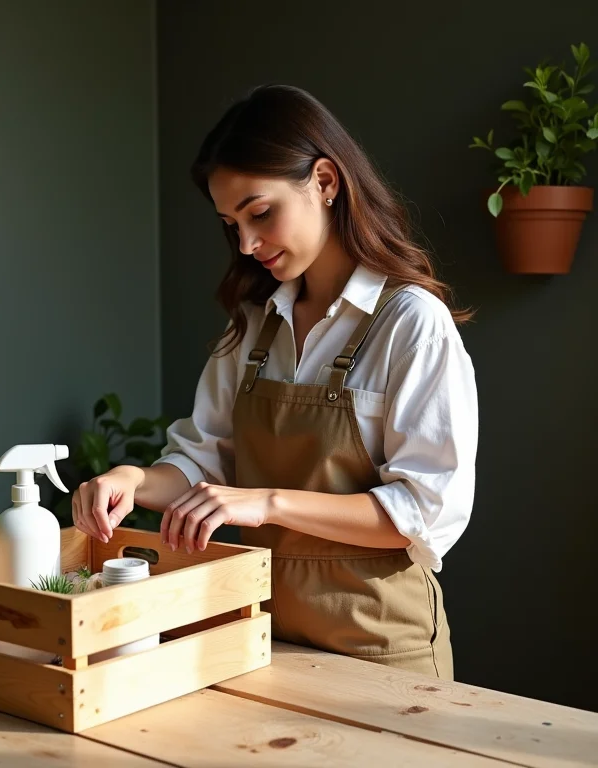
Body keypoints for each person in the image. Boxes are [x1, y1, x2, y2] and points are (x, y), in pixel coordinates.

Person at [73, 84, 478, 679]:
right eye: (231, 224)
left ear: (325, 181)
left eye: (260, 213)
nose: (246, 244)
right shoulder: (253, 325)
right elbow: (204, 461)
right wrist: (133, 479)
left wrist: (268, 503)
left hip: (380, 650)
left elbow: (421, 512)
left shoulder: (412, 323)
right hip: (259, 640)